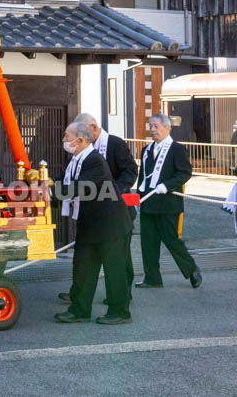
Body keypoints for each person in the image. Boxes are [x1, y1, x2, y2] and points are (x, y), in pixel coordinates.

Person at [54, 122, 133, 325]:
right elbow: (64, 183)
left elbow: (81, 187)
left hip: (110, 223)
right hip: (90, 223)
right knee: (83, 268)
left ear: (80, 140)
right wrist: (44, 189)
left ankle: (120, 311)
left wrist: (50, 190)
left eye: (66, 136)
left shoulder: (95, 160)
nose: (64, 140)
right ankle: (79, 310)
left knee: (114, 270)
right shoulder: (75, 160)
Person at [135, 113, 202, 289]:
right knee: (148, 243)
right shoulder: (146, 150)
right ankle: (152, 278)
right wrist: (138, 198)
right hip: (148, 202)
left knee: (171, 240)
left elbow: (184, 173)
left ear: (167, 128)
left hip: (168, 203)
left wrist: (168, 185)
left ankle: (191, 269)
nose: (152, 130)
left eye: (156, 126)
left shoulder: (176, 149)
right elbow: (142, 177)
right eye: (150, 126)